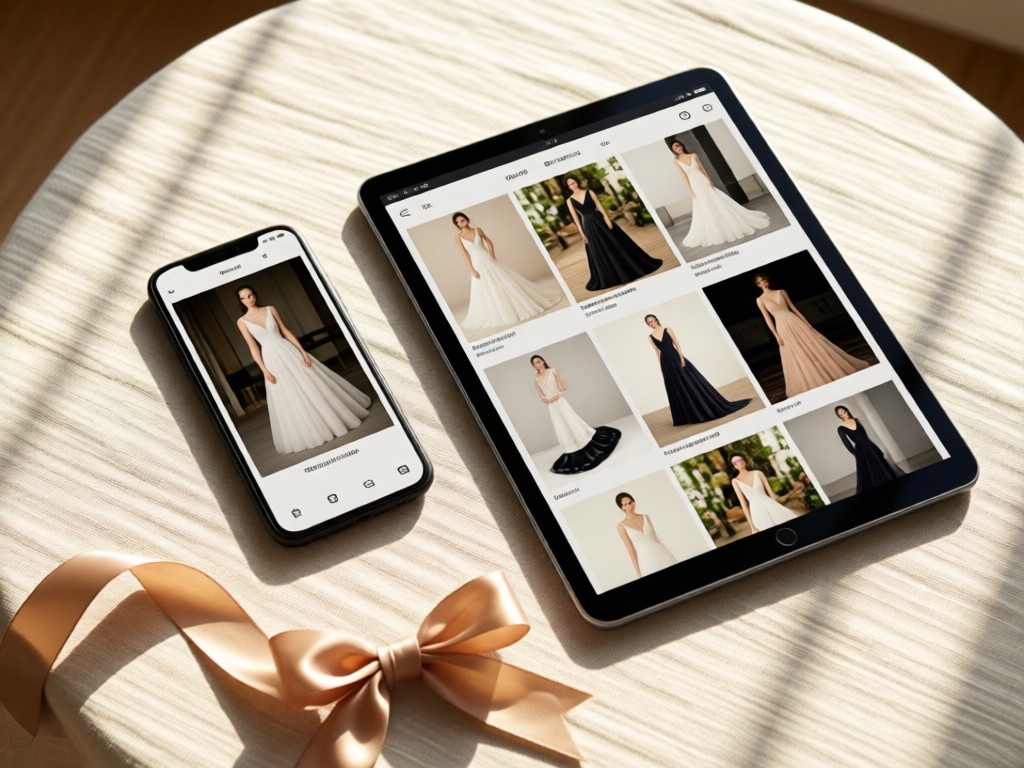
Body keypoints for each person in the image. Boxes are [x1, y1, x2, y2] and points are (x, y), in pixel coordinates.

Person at [235, 285, 370, 454]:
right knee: (290, 393)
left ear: (255, 294)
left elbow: (285, 331)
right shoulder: (242, 322)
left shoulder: (270, 309)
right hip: (271, 359)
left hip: (287, 350)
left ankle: (334, 420)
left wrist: (302, 351)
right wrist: (264, 370)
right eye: (245, 297)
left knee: (311, 383)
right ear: (240, 301)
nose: (250, 299)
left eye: (251, 294)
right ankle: (315, 429)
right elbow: (253, 348)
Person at [754, 273, 869, 398]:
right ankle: (812, 380)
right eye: (760, 282)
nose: (763, 283)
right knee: (798, 353)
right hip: (782, 327)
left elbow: (794, 308)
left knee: (814, 346)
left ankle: (829, 373)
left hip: (795, 322)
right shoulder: (760, 300)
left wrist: (807, 323)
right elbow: (768, 319)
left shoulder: (781, 292)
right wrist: (776, 336)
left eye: (764, 280)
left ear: (767, 280)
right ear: (758, 285)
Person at [452, 212, 560, 329]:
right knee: (487, 287)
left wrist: (492, 254)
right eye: (457, 222)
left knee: (504, 281)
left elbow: (489, 241)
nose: (460, 224)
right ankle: (499, 311)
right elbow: (465, 255)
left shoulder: (478, 230)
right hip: (477, 264)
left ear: (467, 219)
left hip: (488, 259)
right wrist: (472, 270)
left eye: (462, 220)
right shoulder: (458, 238)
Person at [645, 313, 750, 426]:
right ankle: (687, 415)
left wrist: (681, 358)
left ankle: (702, 408)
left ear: (656, 320)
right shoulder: (650, 337)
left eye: (652, 321)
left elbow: (677, 344)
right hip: (666, 363)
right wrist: (661, 369)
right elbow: (657, 354)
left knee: (690, 383)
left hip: (676, 358)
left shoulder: (667, 329)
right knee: (677, 387)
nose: (651, 324)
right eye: (648, 323)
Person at [565, 176, 662, 291]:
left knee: (616, 243)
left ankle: (629, 267)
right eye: (570, 184)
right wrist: (582, 234)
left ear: (577, 181)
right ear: (568, 186)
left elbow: (598, 205)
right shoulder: (569, 201)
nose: (573, 185)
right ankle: (615, 275)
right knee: (601, 249)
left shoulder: (589, 192)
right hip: (589, 226)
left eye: (573, 182)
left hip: (600, 219)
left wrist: (606, 218)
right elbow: (576, 219)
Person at [668, 138, 770, 248]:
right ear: (673, 150)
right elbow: (684, 176)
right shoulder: (676, 160)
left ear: (682, 145)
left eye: (678, 145)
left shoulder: (693, 155)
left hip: (703, 181)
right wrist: (690, 190)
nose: (677, 148)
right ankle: (715, 229)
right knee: (704, 206)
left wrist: (710, 180)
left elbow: (702, 169)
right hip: (695, 185)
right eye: (675, 147)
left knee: (717, 200)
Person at [531, 354, 620, 474]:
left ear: (543, 361)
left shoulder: (552, 371)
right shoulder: (536, 379)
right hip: (552, 407)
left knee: (571, 420)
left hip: (560, 401)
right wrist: (548, 400)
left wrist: (554, 397)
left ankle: (586, 445)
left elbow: (563, 387)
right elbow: (542, 397)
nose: (539, 363)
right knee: (561, 426)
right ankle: (573, 448)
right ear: (533, 366)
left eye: (540, 361)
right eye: (536, 362)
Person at [835, 405, 902, 493]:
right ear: (839, 416)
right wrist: (855, 455)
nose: (843, 414)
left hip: (870, 446)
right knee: (868, 471)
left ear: (847, 411)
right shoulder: (841, 429)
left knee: (881, 464)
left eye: (843, 411)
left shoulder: (857, 420)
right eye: (840, 414)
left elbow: (866, 436)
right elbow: (847, 444)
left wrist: (879, 450)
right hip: (860, 451)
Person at [729, 453, 800, 533]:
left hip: (770, 504)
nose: (740, 462)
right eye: (736, 462)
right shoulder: (735, 481)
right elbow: (743, 504)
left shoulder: (758, 473)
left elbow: (771, 493)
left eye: (741, 459)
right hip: (756, 511)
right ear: (734, 466)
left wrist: (778, 507)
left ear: (744, 461)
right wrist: (752, 526)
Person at [615, 492, 676, 578]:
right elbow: (631, 551)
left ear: (634, 502)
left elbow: (656, 538)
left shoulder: (645, 517)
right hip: (646, 559)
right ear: (622, 507)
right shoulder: (621, 526)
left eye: (630, 502)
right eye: (625, 504)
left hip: (661, 552)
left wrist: (669, 554)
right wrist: (638, 573)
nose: (630, 506)